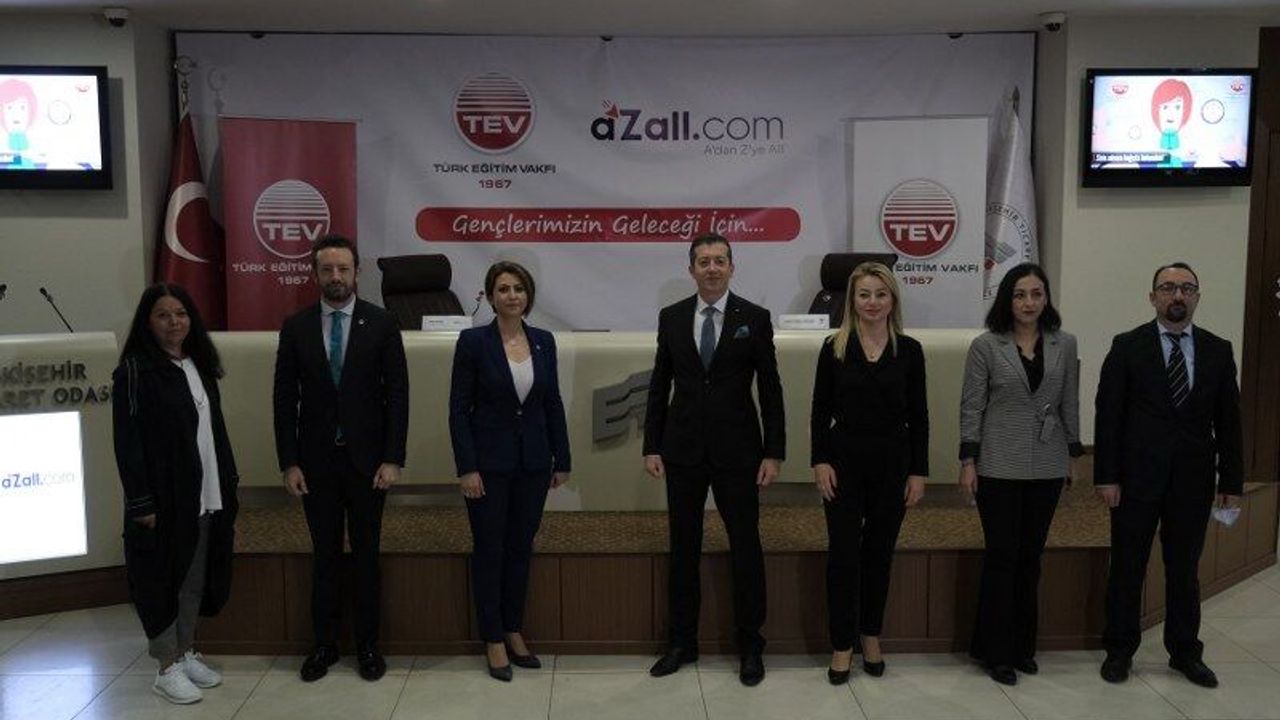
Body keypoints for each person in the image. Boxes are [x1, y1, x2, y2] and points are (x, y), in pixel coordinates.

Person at [643, 233, 784, 687]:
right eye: (703, 261)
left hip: (739, 452)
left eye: (719, 260)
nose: (711, 268)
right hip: (682, 450)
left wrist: (774, 451)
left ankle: (751, 646)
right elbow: (660, 383)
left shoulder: (754, 318)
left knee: (745, 547)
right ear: (691, 270)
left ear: (731, 267)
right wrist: (651, 444)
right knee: (683, 547)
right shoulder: (672, 317)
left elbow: (771, 388)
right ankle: (681, 642)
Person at [1095, 262, 1243, 689]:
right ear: (1153, 297)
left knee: (1184, 571)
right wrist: (1106, 476)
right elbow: (1109, 416)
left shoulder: (1218, 350)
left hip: (1193, 482)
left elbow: (1229, 421)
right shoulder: (1127, 346)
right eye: (1168, 288)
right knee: (1127, 567)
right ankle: (1119, 650)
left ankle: (1184, 652)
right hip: (1135, 480)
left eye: (1186, 288)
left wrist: (1231, 482)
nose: (1178, 295)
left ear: (1197, 296)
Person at [272, 234, 409, 682]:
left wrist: (393, 458)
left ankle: (368, 646)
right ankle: (324, 645)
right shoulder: (296, 326)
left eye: (343, 269)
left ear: (357, 272)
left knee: (367, 556)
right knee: (324, 556)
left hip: (369, 465)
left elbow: (398, 396)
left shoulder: (382, 323)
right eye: (327, 269)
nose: (336, 276)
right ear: (314, 273)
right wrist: (289, 462)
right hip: (316, 465)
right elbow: (284, 399)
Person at [112, 283, 239, 705]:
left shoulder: (199, 364)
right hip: (162, 500)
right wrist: (140, 501)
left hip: (203, 492)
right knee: (161, 581)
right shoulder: (135, 371)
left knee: (192, 580)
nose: (174, 323)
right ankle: (166, 667)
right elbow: (127, 444)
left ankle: (185, 651)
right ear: (147, 322)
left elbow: (212, 431)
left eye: (181, 314)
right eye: (163, 315)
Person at [958, 263, 1082, 686]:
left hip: (1047, 462)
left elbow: (1069, 402)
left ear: (1046, 298)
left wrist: (1073, 454)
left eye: (1036, 294)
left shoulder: (1064, 342)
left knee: (1031, 558)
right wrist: (968, 461)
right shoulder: (986, 345)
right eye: (1020, 295)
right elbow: (972, 405)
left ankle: (1023, 647)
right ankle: (995, 651)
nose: (1029, 302)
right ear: (1007, 300)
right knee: (1002, 557)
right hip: (998, 463)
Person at [449, 261, 571, 682]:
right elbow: (458, 410)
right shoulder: (473, 342)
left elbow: (552, 402)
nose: (512, 295)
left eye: (519, 288)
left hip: (533, 464)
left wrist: (562, 458)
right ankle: (493, 637)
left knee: (520, 547)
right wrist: (467, 467)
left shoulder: (543, 341)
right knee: (490, 549)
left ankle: (513, 627)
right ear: (491, 296)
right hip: (488, 466)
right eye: (503, 288)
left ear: (528, 295)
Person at [811, 262, 927, 684]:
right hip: (843, 464)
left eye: (880, 294)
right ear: (852, 301)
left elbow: (920, 415)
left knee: (879, 554)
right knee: (843, 556)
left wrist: (918, 471)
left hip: (892, 464)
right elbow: (820, 410)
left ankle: (871, 635)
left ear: (892, 299)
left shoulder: (909, 350)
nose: (872, 302)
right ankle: (842, 644)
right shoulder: (834, 347)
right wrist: (820, 460)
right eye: (864, 294)